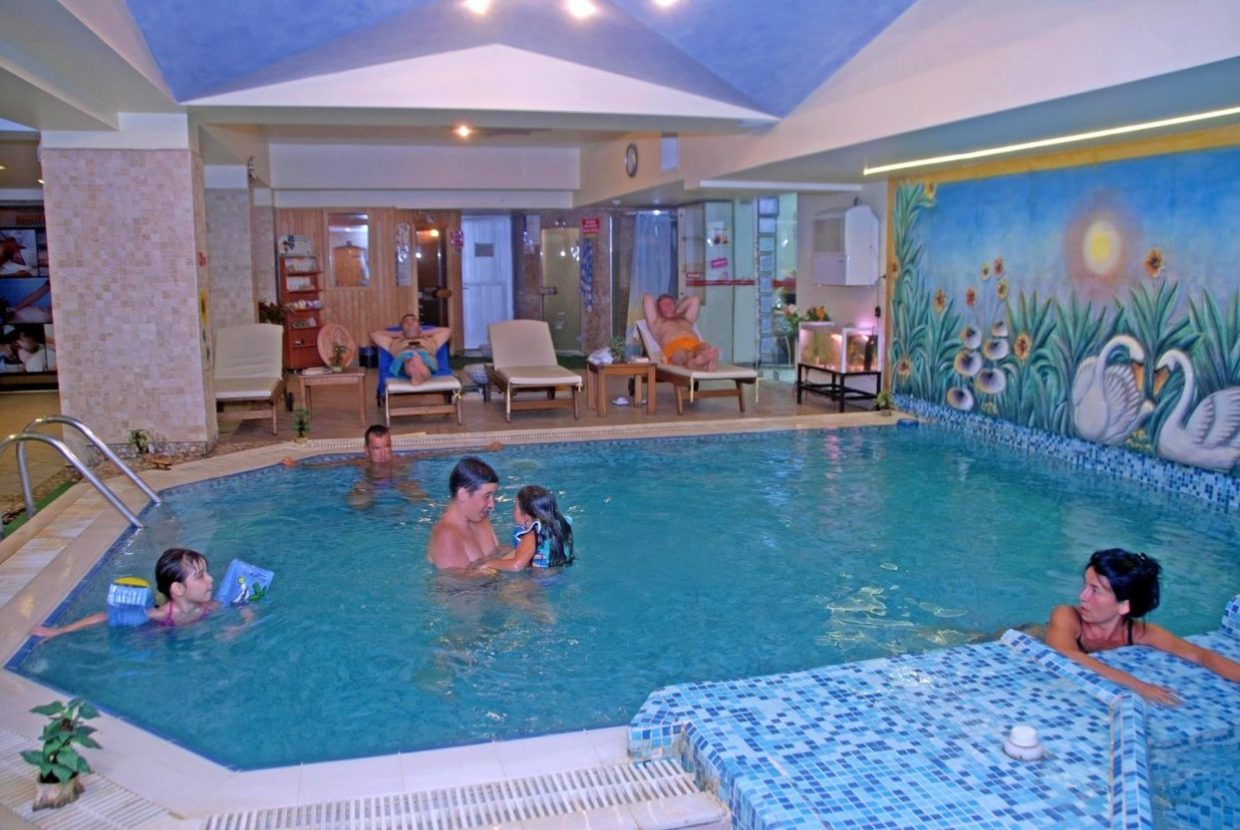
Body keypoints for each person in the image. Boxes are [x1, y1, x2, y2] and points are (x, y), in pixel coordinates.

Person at [1045, 548, 1240, 705]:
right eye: (1086, 586)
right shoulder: (1066, 616)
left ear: (1124, 606)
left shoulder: (1140, 632)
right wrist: (1138, 686)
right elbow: (1066, 655)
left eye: (1094, 590)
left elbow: (1200, 655)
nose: (1082, 596)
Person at [29, 548, 221, 640]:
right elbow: (105, 616)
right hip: (157, 632)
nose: (210, 579)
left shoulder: (209, 606)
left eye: (207, 573)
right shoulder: (160, 615)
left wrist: (234, 628)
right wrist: (58, 631)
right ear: (178, 589)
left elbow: (236, 608)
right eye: (201, 576)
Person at [427, 457, 502, 571]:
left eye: (493, 496)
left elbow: (499, 553)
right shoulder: (446, 535)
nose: (492, 504)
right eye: (486, 496)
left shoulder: (480, 518)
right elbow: (455, 580)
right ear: (463, 494)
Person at [487, 485, 575, 571]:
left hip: (539, 578)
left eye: (515, 507)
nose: (512, 511)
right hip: (560, 573)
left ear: (526, 516)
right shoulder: (558, 526)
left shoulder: (530, 535)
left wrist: (489, 564)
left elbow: (516, 565)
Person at [643, 292, 719, 371]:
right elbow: (647, 298)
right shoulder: (656, 323)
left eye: (670, 303)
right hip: (674, 348)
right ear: (658, 309)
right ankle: (699, 362)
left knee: (705, 347)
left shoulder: (685, 319)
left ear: (675, 306)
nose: (667, 306)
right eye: (664, 304)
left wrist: (678, 310)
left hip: (695, 345)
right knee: (685, 355)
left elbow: (696, 299)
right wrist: (657, 309)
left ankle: (707, 360)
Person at [370, 313, 451, 385]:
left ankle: (415, 371)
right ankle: (418, 370)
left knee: (417, 362)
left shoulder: (431, 339)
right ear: (402, 328)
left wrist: (424, 333)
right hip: (404, 355)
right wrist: (396, 334)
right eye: (406, 321)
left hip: (425, 355)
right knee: (407, 360)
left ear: (419, 326)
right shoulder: (393, 341)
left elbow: (447, 331)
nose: (410, 322)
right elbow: (373, 334)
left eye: (413, 320)